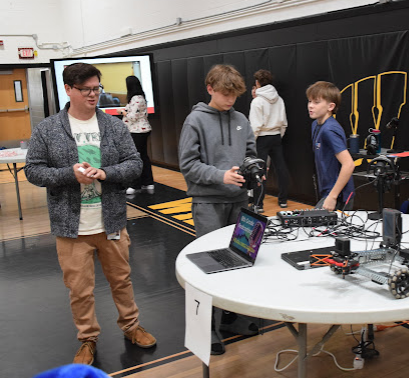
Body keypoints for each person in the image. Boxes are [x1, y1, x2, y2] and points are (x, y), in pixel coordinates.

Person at [26, 62, 156, 366]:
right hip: (71, 227)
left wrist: (105, 173)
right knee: (80, 290)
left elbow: (134, 165)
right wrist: (69, 175)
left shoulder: (113, 125)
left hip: (110, 220)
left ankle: (131, 326)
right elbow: (33, 170)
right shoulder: (48, 128)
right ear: (68, 89)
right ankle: (87, 339)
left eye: (97, 88)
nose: (93, 94)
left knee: (121, 280)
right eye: (86, 89)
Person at [178, 64, 258, 353]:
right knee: (209, 266)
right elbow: (187, 166)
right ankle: (206, 328)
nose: (229, 101)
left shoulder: (240, 118)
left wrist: (253, 170)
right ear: (210, 89)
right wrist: (219, 176)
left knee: (239, 262)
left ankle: (230, 318)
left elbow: (251, 154)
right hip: (208, 203)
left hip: (239, 202)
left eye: (234, 96)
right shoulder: (195, 121)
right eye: (225, 95)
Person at [304, 81, 354, 212]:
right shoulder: (315, 125)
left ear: (330, 106)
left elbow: (348, 164)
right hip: (327, 191)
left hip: (338, 196)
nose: (310, 106)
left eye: (316, 102)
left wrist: (332, 196)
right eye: (309, 101)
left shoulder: (329, 129)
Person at [248, 70, 289, 208]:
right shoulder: (280, 100)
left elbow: (255, 126)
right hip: (276, 136)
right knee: (281, 168)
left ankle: (258, 204)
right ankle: (283, 200)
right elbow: (284, 123)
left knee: (259, 171)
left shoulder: (257, 101)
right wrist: (278, 134)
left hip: (262, 139)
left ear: (257, 83)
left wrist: (251, 142)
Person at [121, 75, 154, 197]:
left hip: (137, 132)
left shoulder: (136, 99)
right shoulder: (141, 97)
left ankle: (135, 185)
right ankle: (148, 182)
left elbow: (132, 117)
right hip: (141, 131)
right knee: (143, 156)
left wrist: (123, 112)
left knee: (136, 158)